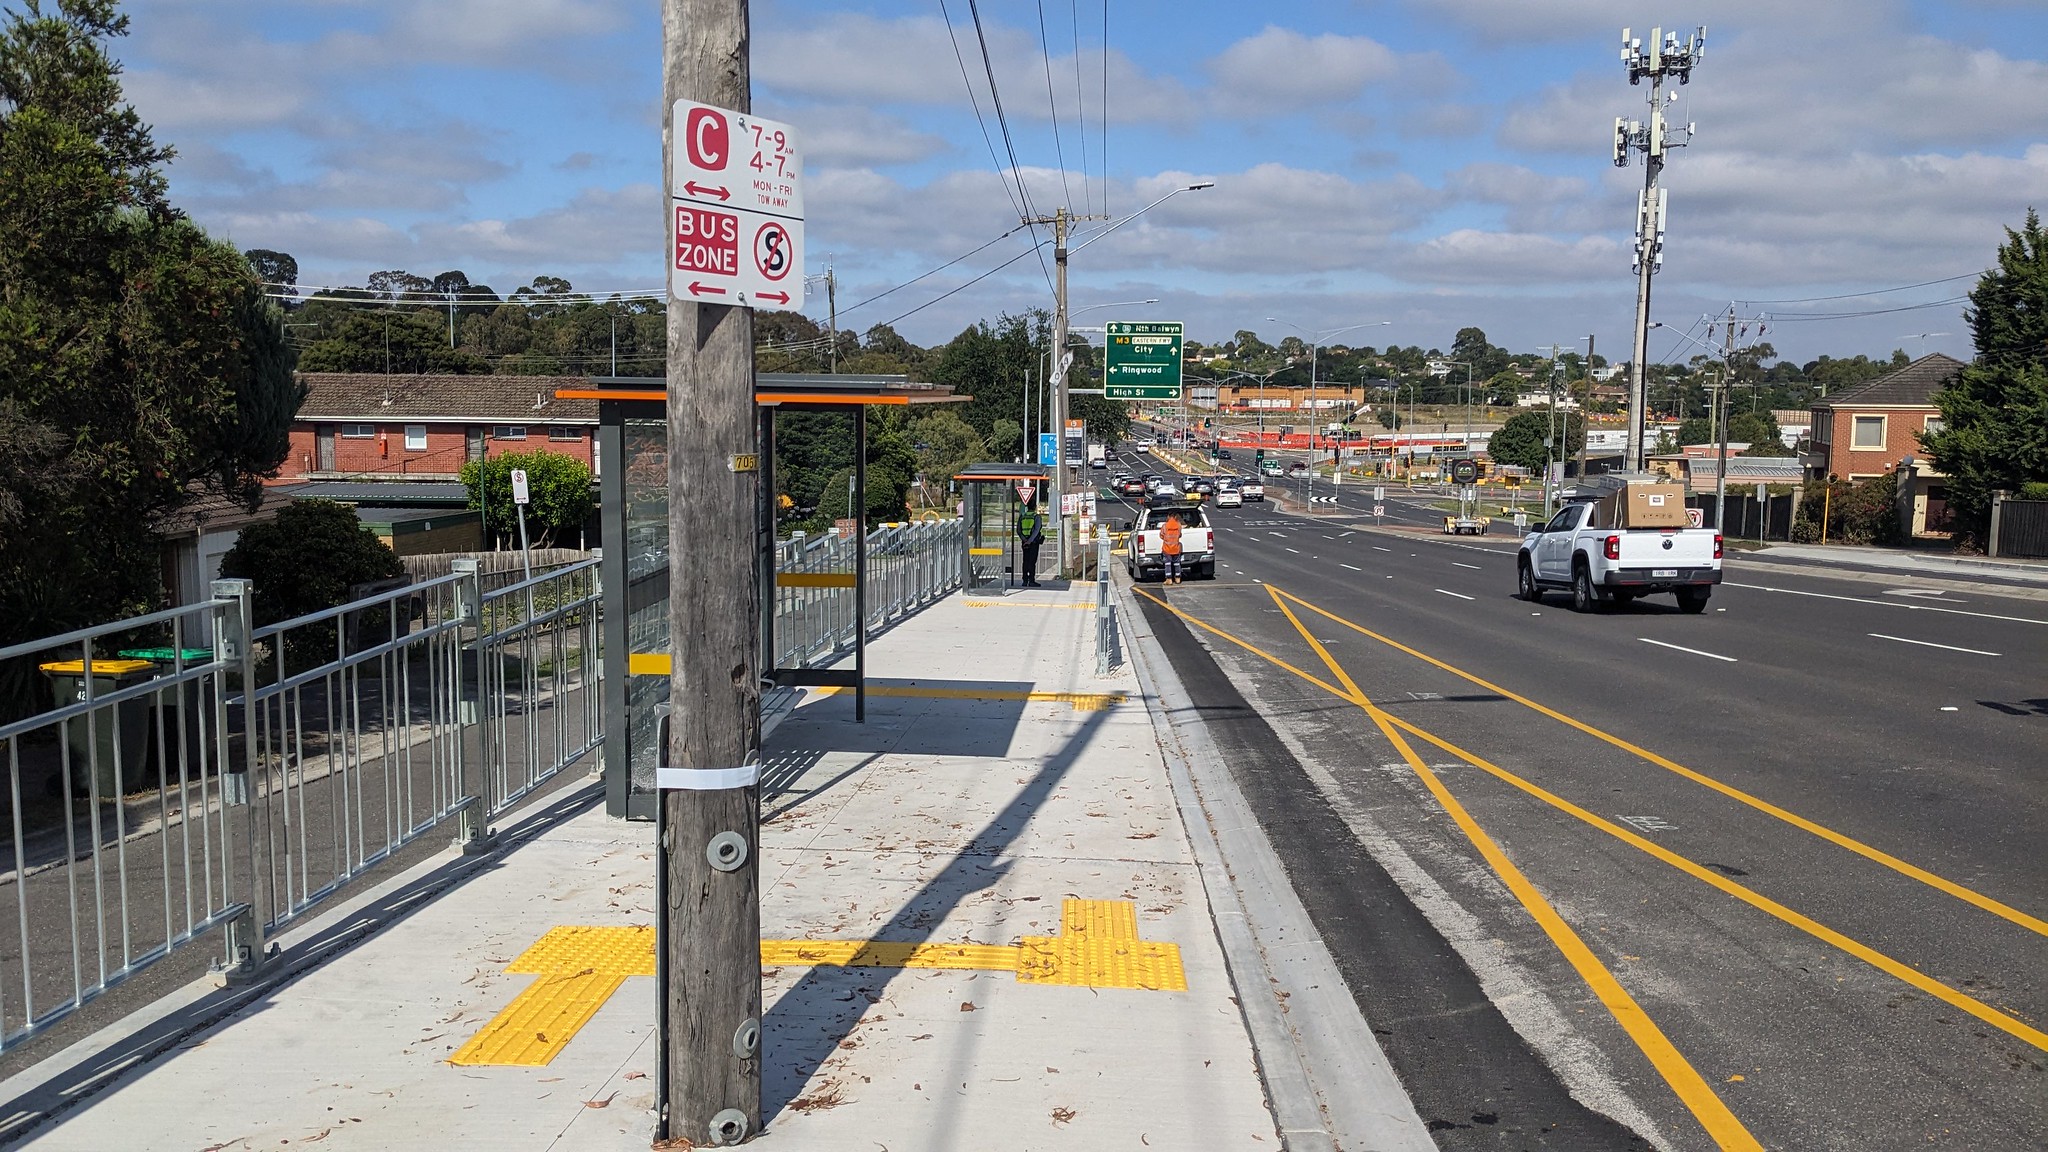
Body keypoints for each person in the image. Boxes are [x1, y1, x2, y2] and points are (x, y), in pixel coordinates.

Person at [1018, 498, 1045, 587]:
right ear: (1035, 507)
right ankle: (1031, 580)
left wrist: (1024, 540)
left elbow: (1018, 530)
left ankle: (1025, 580)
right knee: (1032, 562)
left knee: (1025, 561)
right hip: (1033, 543)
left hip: (1024, 542)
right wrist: (1029, 541)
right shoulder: (1036, 517)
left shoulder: (1022, 516)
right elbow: (1036, 530)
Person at [1159, 508, 1184, 585]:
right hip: (1176, 548)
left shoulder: (1165, 526)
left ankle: (1169, 579)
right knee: (1177, 563)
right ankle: (1177, 578)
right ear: (1175, 517)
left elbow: (1161, 535)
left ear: (1168, 516)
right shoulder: (1178, 525)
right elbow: (1180, 535)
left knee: (1167, 564)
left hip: (1167, 548)